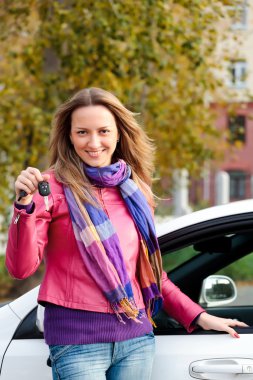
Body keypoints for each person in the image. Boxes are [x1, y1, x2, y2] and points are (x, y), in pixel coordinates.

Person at [6, 87, 247, 380]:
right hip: (76, 343)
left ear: (119, 133)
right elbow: (21, 268)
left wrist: (198, 316)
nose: (94, 142)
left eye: (103, 131)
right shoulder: (50, 189)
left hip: (136, 340)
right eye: (82, 132)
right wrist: (23, 207)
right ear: (69, 135)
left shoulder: (134, 190)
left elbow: (149, 273)